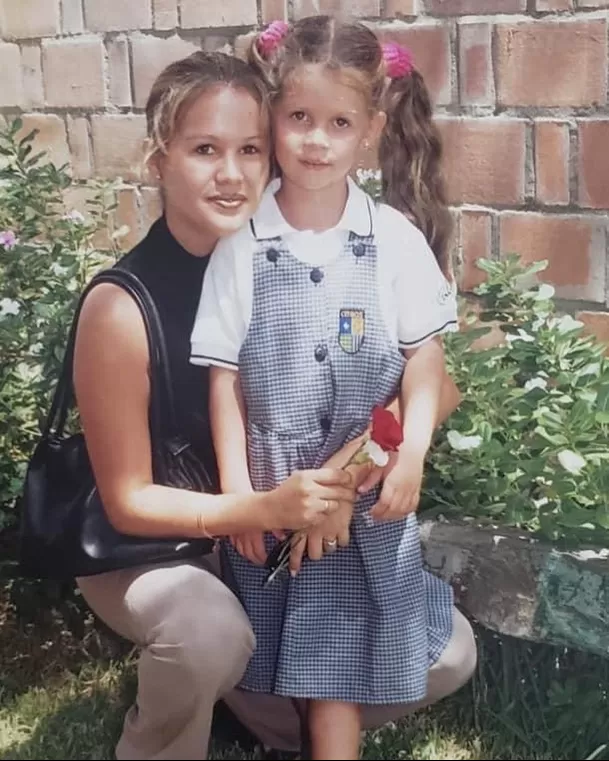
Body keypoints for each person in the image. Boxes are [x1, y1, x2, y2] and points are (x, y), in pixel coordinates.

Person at [73, 47, 473, 761]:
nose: (231, 174)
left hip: (273, 526)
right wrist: (261, 509)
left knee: (447, 651)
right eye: (203, 150)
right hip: (156, 543)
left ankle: (273, 713)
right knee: (206, 631)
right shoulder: (123, 307)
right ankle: (170, 737)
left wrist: (342, 482)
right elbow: (129, 501)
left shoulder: (320, 249)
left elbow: (437, 386)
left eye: (249, 149)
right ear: (158, 159)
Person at [189, 16, 474, 761]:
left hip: (365, 488)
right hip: (274, 485)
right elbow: (225, 379)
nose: (316, 140)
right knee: (296, 652)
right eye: (299, 119)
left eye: (338, 123)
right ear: (273, 118)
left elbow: (424, 363)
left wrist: (408, 452)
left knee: (332, 668)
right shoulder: (244, 243)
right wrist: (234, 500)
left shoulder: (393, 240)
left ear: (372, 129)